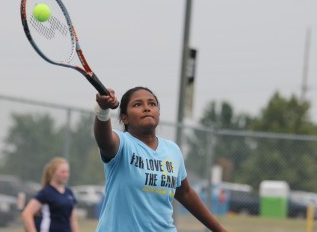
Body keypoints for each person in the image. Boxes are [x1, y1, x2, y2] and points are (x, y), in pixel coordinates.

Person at [94, 86, 227, 232]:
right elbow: (104, 140)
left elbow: (186, 193)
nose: (146, 108)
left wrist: (220, 230)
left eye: (152, 104)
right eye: (137, 104)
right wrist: (103, 110)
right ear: (124, 117)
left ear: (158, 112)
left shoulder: (172, 150)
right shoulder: (122, 143)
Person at [21, 157, 79, 232]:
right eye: (62, 172)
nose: (66, 175)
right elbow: (26, 214)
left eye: (67, 172)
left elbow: (73, 220)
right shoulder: (46, 193)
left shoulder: (69, 193)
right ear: (52, 173)